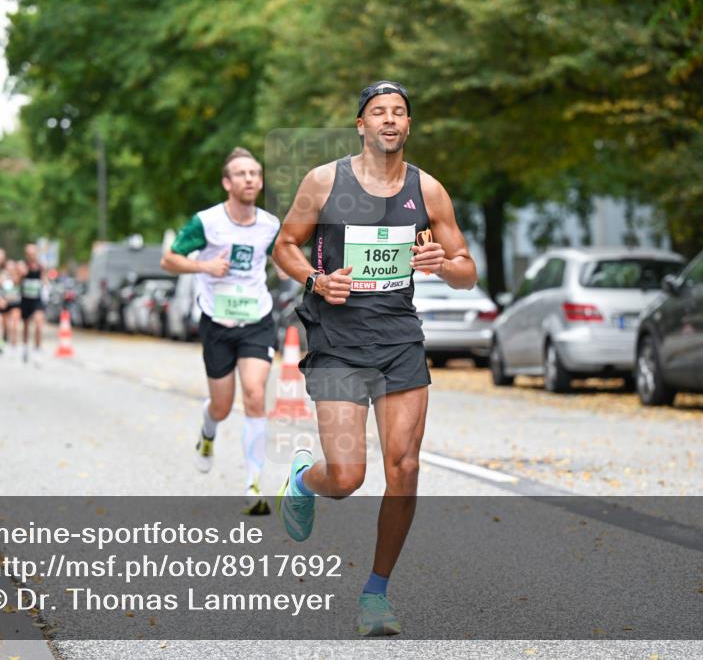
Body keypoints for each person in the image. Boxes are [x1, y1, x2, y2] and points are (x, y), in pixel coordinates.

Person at [271, 82, 478, 636]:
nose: (390, 120)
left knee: (405, 469)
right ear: (360, 125)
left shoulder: (427, 190)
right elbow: (285, 246)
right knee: (347, 477)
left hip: (398, 338)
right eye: (378, 113)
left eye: (400, 113)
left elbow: (467, 270)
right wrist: (315, 279)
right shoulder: (324, 181)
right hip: (337, 339)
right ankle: (303, 482)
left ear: (408, 126)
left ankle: (376, 593)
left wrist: (441, 262)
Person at [161, 147, 280, 516]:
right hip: (216, 321)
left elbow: (287, 258)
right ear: (227, 183)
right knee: (223, 406)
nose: (249, 179)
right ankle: (208, 430)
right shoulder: (207, 222)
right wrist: (205, 266)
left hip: (257, 320)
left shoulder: (270, 225)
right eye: (241, 174)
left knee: (256, 394)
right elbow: (169, 259)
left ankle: (254, 484)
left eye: (255, 173)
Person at [19, 244, 47, 364]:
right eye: (29, 253)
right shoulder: (22, 265)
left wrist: (45, 284)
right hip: (25, 299)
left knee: (39, 324)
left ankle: (37, 350)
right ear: (26, 254)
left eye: (34, 253)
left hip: (37, 299)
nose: (32, 255)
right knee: (26, 326)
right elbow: (18, 278)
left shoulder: (41, 266)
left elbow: (44, 280)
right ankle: (25, 347)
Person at [0, 259, 22, 356]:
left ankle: (14, 345)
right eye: (9, 265)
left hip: (15, 303)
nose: (10, 267)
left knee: (14, 324)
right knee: (3, 324)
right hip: (3, 303)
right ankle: (2, 341)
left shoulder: (19, 276)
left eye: (12, 265)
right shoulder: (2, 276)